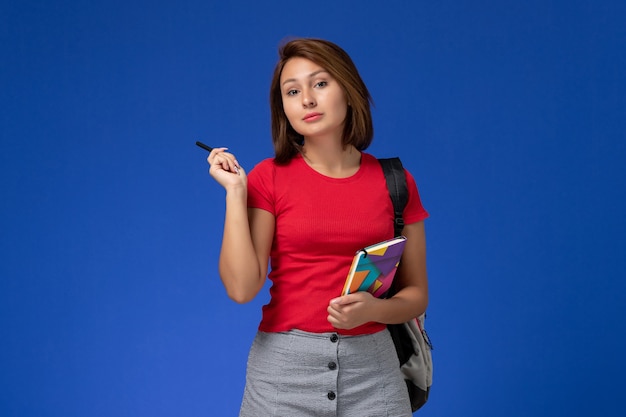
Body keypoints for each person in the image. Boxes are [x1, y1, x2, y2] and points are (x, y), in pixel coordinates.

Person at [207, 38, 429, 416]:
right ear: (284, 108)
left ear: (349, 89)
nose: (307, 99)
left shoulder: (395, 181)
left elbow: (417, 295)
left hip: (374, 373)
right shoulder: (268, 178)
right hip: (282, 374)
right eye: (292, 91)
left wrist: (373, 309)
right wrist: (235, 193)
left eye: (320, 83)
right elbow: (242, 288)